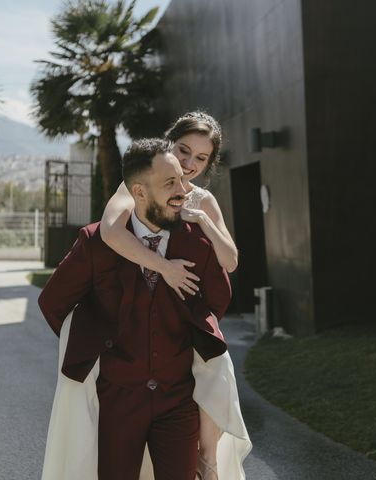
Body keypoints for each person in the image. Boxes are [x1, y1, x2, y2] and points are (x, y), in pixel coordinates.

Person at [39, 138, 250, 480]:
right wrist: (93, 338)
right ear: (138, 192)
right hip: (117, 400)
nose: (183, 190)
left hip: (177, 400)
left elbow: (217, 300)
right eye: (170, 184)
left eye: (182, 180)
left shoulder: (196, 243)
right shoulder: (96, 243)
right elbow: (53, 302)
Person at [100, 111, 248, 480]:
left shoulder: (204, 200)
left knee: (216, 365)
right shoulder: (140, 185)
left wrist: (205, 221)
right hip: (143, 311)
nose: (189, 164)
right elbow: (109, 232)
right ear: (170, 143)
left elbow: (229, 261)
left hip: (190, 310)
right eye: (184, 151)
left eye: (201, 158)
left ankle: (208, 458)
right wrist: (164, 267)